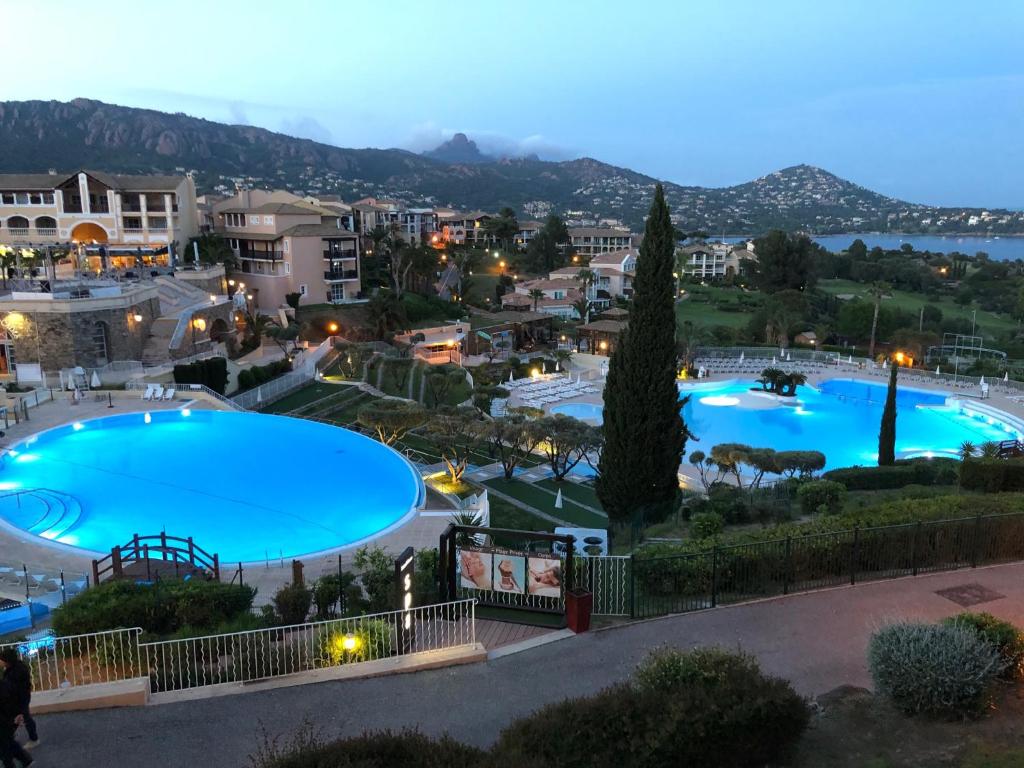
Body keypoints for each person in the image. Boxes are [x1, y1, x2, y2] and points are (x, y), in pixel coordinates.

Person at [0, 651, 35, 749]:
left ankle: (34, 739)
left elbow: (18, 688)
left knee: (25, 717)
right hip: (15, 699)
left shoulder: (17, 671)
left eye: (1, 659)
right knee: (15, 718)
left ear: (6, 660)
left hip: (21, 699)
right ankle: (10, 737)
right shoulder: (11, 668)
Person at [0, 676, 31, 768]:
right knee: (7, 743)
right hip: (8, 721)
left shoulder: (5, 685)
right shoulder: (5, 684)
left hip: (5, 722)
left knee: (5, 745)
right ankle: (25, 760)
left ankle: (24, 760)